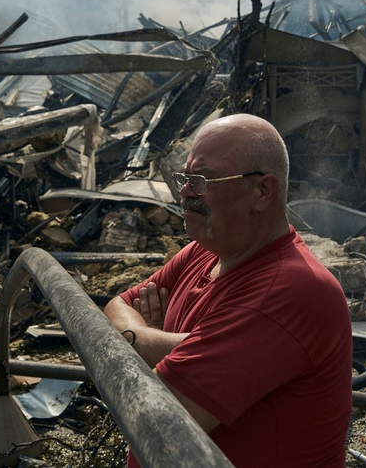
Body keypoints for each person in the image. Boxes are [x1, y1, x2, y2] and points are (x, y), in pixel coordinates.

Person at [105, 113, 351, 467]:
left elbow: (155, 414)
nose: (186, 191)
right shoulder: (203, 251)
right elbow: (117, 304)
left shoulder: (293, 291)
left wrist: (141, 342)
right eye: (186, 177)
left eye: (204, 179)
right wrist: (170, 342)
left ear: (262, 191)